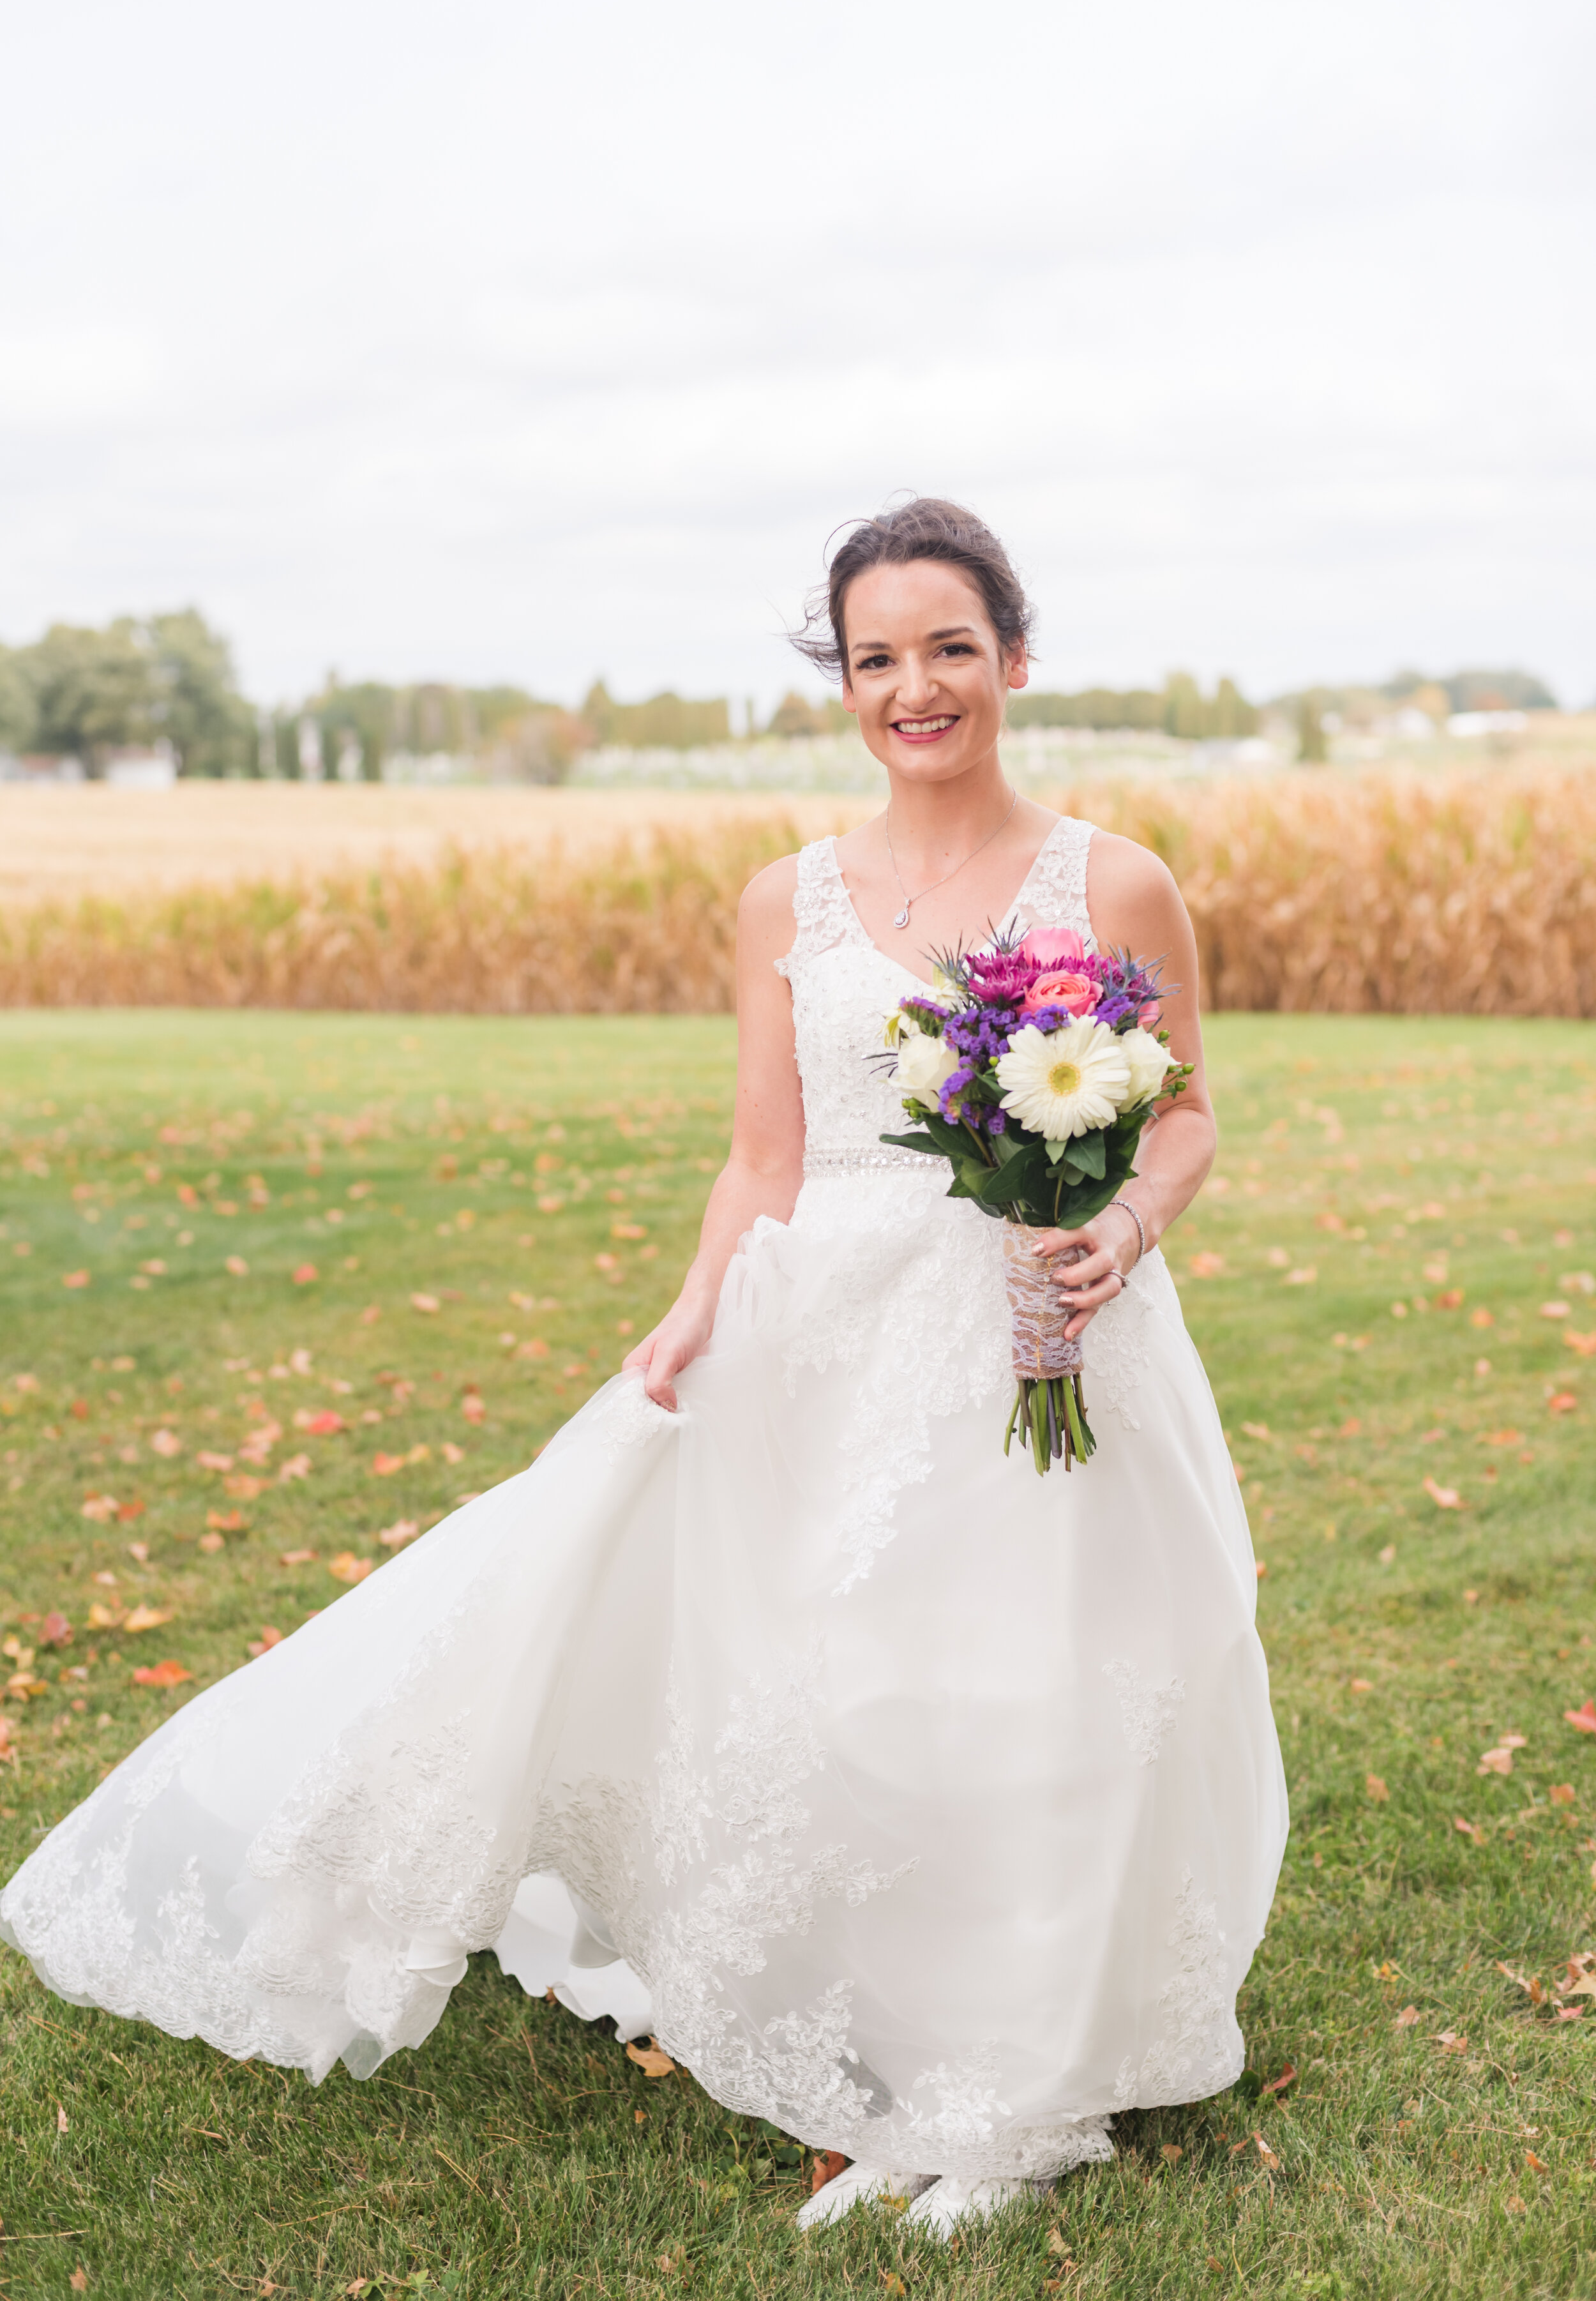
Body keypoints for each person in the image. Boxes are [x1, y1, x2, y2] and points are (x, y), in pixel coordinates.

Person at [1, 499, 1286, 2238]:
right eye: (873, 656)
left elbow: (1187, 1108)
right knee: (853, 1689)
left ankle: (1011, 2097)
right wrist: (693, 1308)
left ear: (1015, 656)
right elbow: (763, 1151)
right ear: (839, 680)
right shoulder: (784, 899)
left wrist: (1117, 1229)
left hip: (1040, 1326)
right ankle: (899, 2067)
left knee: (1036, 1687)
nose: (912, 685)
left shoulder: (1112, 878)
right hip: (828, 1327)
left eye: (947, 647)